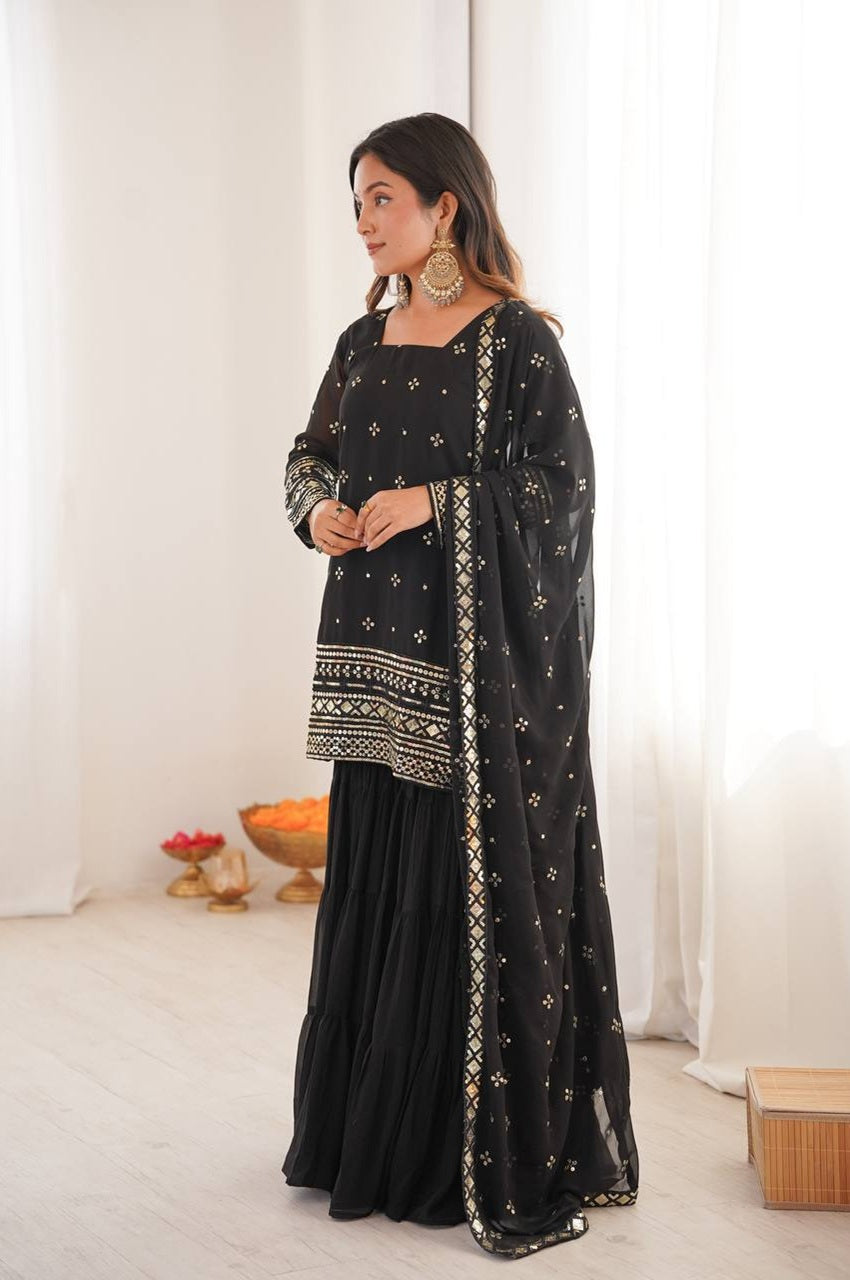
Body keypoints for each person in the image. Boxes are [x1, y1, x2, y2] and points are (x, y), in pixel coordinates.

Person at [281, 112, 639, 1259]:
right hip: (372, 662)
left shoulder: (515, 343)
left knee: (447, 896)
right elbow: (309, 454)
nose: (363, 219)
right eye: (356, 201)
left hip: (469, 684)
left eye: (381, 197)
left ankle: (445, 1149)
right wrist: (319, 510)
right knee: (377, 885)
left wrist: (436, 502)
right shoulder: (361, 339)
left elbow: (561, 490)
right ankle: (361, 1137)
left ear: (445, 206)